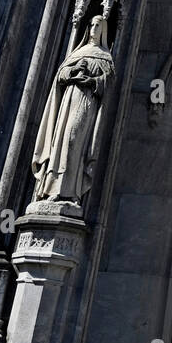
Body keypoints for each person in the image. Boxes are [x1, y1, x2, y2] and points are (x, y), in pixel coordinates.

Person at [31, 14, 115, 206]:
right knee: (59, 142)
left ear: (103, 30)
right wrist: (73, 71)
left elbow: (108, 83)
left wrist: (92, 81)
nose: (94, 28)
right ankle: (51, 189)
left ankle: (71, 190)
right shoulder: (78, 52)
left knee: (74, 141)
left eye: (98, 25)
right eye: (92, 24)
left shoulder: (105, 56)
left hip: (86, 103)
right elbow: (60, 76)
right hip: (68, 102)